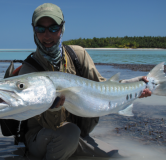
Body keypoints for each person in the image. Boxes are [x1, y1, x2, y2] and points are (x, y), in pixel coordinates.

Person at [13, 3, 151, 160]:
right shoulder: (29, 71)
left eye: (53, 28)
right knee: (69, 134)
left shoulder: (77, 55)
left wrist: (137, 84)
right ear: (33, 29)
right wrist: (54, 108)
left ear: (62, 28)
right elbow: (47, 123)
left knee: (114, 156)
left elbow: (104, 88)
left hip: (76, 134)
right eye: (40, 29)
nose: (47, 35)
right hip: (42, 136)